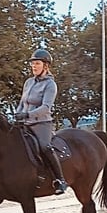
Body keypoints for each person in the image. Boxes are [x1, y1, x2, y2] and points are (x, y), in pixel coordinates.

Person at [14, 49, 68, 195]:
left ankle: (60, 180)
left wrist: (27, 114)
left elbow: (45, 108)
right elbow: (22, 102)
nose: (34, 66)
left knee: (44, 147)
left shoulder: (50, 85)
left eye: (37, 63)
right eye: (32, 64)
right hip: (25, 121)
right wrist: (17, 114)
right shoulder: (28, 82)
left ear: (45, 66)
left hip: (42, 123)